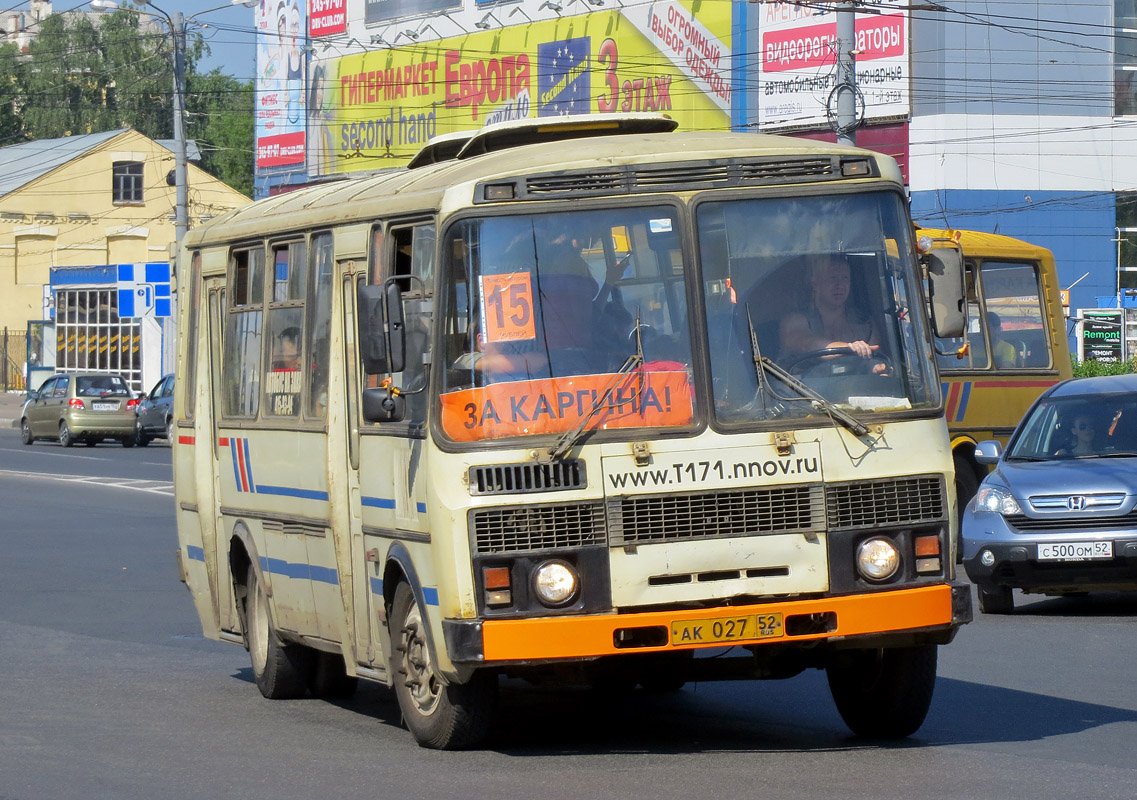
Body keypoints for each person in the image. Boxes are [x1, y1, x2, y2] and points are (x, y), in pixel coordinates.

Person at [779, 254, 885, 372]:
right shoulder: (796, 320)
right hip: (802, 389)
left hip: (857, 388)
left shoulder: (865, 323)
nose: (839, 285)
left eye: (845, 278)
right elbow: (806, 344)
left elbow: (874, 358)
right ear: (815, 283)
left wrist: (876, 368)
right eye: (832, 278)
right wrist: (850, 348)